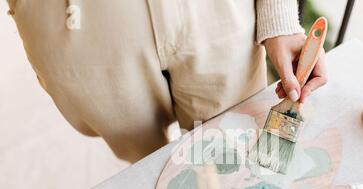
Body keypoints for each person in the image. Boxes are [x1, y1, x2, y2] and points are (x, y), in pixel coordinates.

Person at [7, 0, 326, 163]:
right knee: (151, 175)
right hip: (81, 30)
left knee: (234, 156)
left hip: (215, 15)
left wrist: (280, 16)